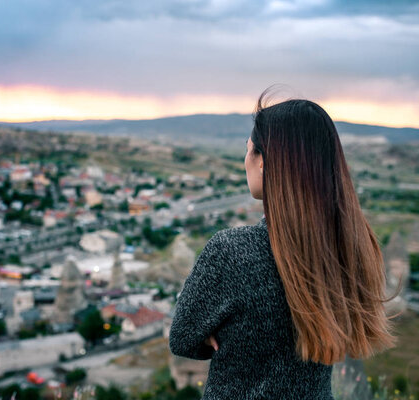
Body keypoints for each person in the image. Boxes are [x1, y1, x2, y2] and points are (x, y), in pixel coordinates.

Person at [168, 90, 402, 399]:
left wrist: (215, 327)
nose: (245, 160)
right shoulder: (346, 249)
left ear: (264, 161)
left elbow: (183, 338)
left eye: (249, 149)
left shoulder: (232, 252)